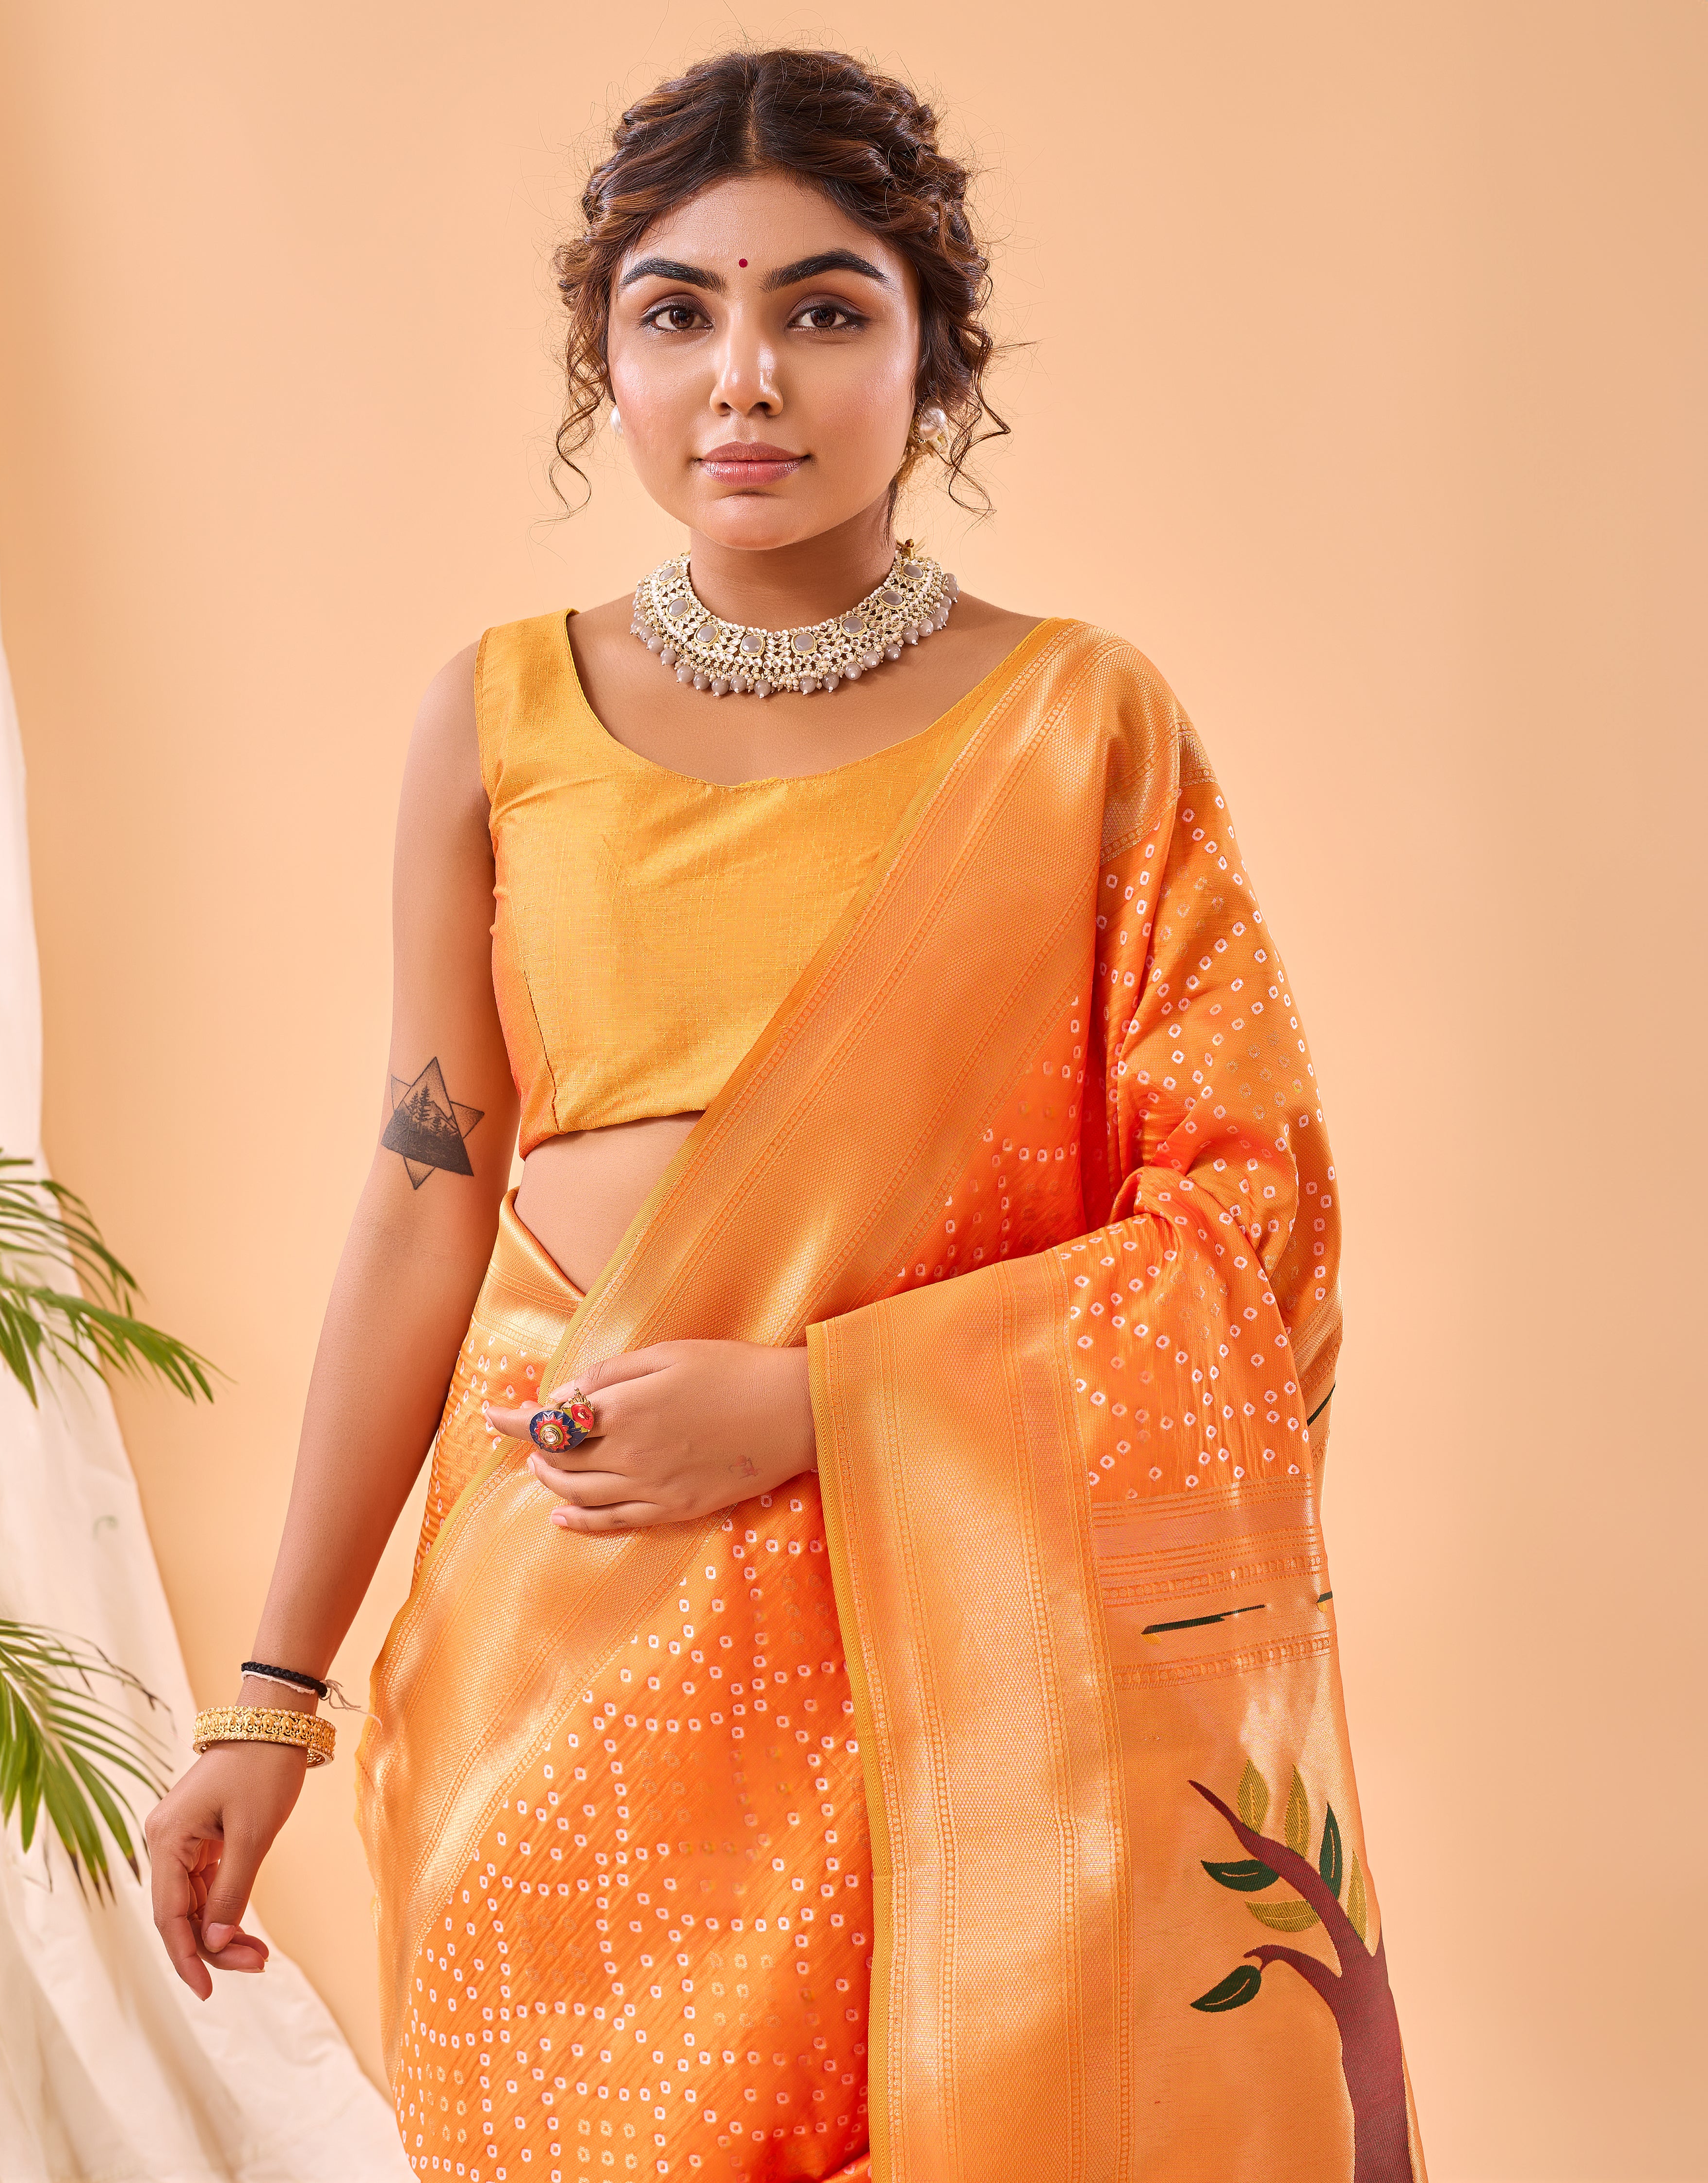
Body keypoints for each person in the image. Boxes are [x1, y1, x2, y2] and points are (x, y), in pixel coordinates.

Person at [146, 47, 1425, 2183]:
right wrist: (271, 1700)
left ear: (936, 358)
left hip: (958, 1668)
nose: (748, 377)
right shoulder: (496, 715)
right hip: (564, 1622)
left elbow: (1249, 1224)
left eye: (825, 310)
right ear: (610, 361)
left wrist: (824, 1404)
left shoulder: (1078, 727)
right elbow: (424, 1200)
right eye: (680, 312)